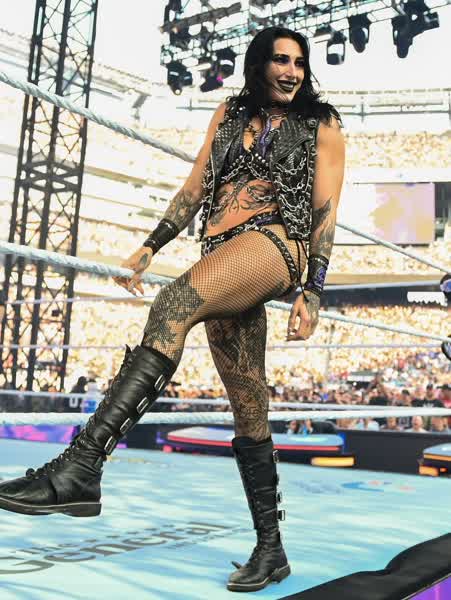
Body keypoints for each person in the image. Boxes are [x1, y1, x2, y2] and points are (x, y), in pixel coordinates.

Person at [0, 26, 345, 592]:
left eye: (300, 63)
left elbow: (326, 208)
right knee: (249, 405)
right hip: (223, 252)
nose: (291, 71)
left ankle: (82, 466)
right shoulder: (230, 113)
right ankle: (272, 549)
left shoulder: (321, 123)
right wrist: (150, 245)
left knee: (173, 304)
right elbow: (195, 187)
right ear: (259, 64)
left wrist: (314, 290)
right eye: (281, 60)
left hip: (277, 245)